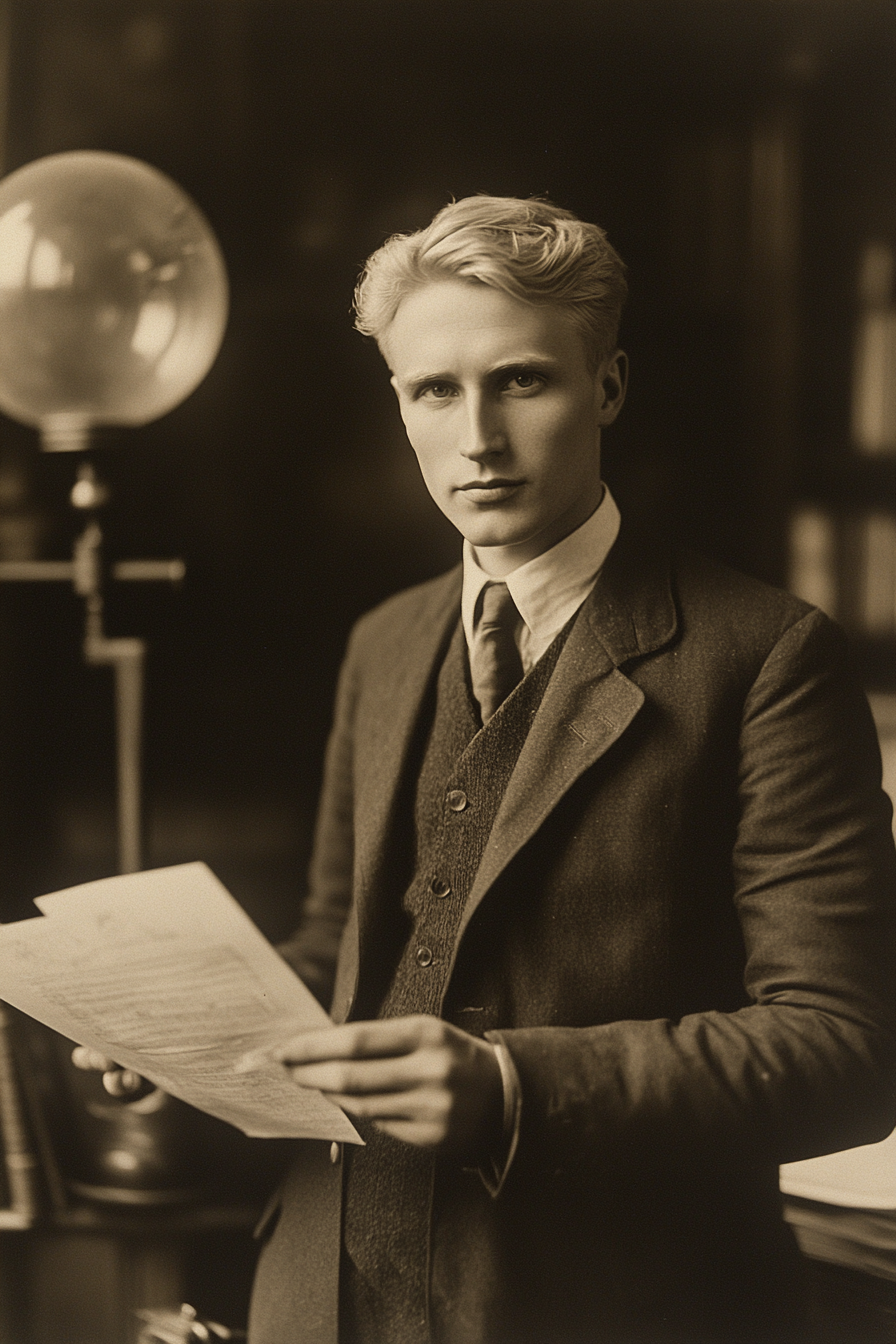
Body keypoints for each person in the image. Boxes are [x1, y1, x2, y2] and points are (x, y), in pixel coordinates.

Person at [254, 196, 894, 1342]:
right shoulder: (385, 641)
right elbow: (341, 953)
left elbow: (842, 1046)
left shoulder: (763, 655)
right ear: (398, 404)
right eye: (433, 391)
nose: (477, 438)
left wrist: (511, 1088)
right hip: (324, 1288)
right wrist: (193, 1052)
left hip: (609, 1304)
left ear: (605, 387)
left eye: (522, 382)